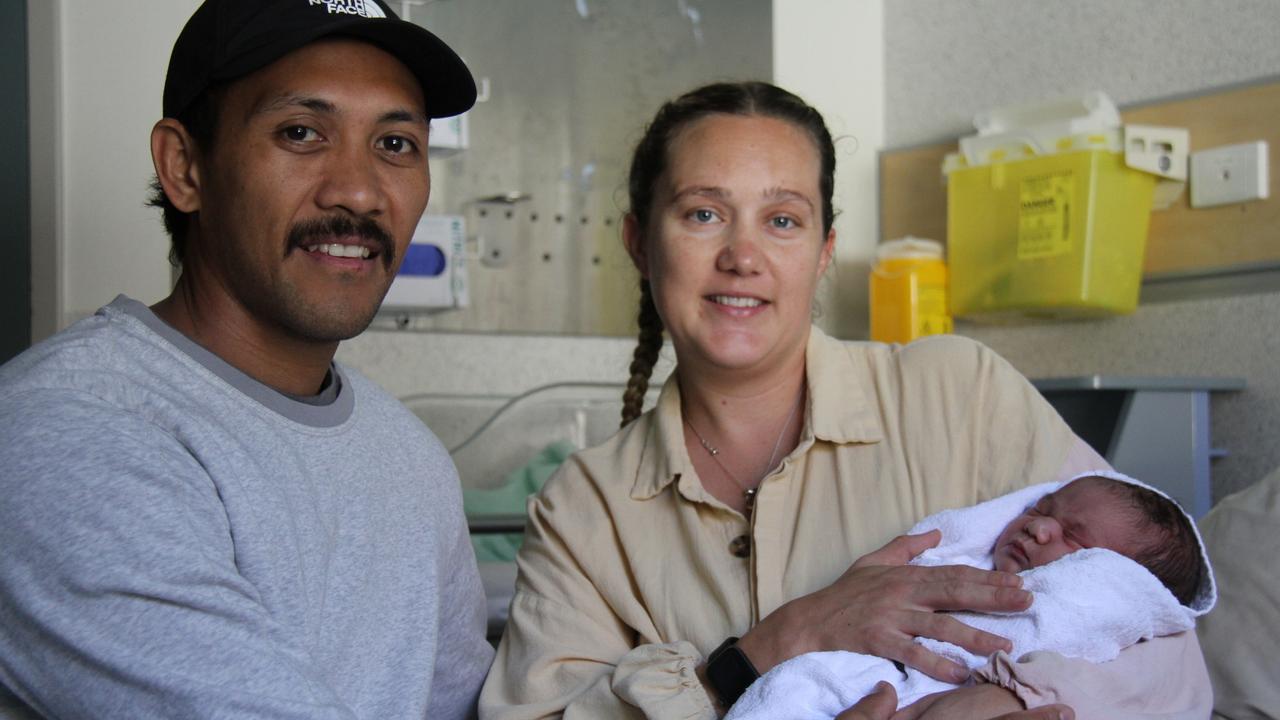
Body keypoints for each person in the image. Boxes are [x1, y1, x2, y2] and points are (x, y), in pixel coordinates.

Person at [478, 81, 1213, 719]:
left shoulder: (960, 395)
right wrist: (758, 654)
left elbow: (1163, 641)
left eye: (783, 220)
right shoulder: (584, 511)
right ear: (640, 243)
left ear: (825, 249)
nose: (743, 255)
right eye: (703, 214)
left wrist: (994, 701)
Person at [0, 2, 493, 718]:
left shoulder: (408, 458)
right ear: (185, 167)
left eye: (394, 144)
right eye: (301, 133)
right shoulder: (67, 434)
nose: (359, 190)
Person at [727, 471, 1217, 719]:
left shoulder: (1082, 615)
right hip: (864, 681)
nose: (1040, 526)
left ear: (1113, 582)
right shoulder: (959, 563)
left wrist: (1000, 695)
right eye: (1042, 508)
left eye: (1075, 537)